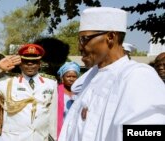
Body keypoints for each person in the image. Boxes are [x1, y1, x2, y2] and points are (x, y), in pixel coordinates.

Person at [59, 7, 165, 141]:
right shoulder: (91, 78)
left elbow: (148, 132)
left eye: (85, 39)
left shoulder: (138, 76)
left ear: (110, 37)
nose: (80, 47)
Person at [0, 44, 58, 141]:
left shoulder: (50, 83)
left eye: (34, 62)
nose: (30, 64)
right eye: (26, 61)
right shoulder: (9, 82)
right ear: (20, 64)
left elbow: (53, 117)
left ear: (39, 63)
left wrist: (54, 138)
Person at [56, 62, 80, 139]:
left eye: (74, 76)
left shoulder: (81, 92)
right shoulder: (56, 91)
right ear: (62, 78)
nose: (71, 79)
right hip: (61, 130)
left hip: (76, 130)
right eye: (68, 76)